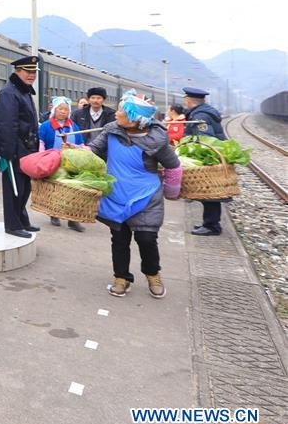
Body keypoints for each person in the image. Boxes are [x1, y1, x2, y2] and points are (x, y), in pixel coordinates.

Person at [86, 90, 182, 298]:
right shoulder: (111, 131)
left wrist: (171, 192)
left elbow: (173, 166)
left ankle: (152, 274)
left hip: (145, 197)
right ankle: (121, 277)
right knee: (119, 239)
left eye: (121, 111)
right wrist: (75, 152)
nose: (115, 113)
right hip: (116, 194)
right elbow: (93, 149)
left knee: (146, 239)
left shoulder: (156, 140)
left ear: (134, 118)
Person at [0, 56, 41, 239]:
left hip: (27, 149)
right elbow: (6, 125)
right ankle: (12, 225)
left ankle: (22, 220)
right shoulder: (9, 93)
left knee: (24, 188)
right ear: (17, 71)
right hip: (15, 150)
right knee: (14, 189)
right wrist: (8, 153)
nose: (31, 75)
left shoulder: (23, 91)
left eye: (34, 72)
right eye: (28, 71)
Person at [182, 87, 227, 236]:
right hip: (211, 157)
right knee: (209, 193)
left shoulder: (201, 116)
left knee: (209, 193)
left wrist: (199, 157)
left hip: (208, 159)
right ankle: (209, 223)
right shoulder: (204, 112)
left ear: (189, 100)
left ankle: (212, 226)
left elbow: (205, 139)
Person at [38, 96, 85, 232]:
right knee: (55, 190)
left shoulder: (74, 126)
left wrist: (79, 149)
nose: (63, 112)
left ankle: (73, 220)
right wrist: (42, 158)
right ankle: (54, 214)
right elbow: (41, 143)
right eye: (60, 109)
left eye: (66, 109)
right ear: (54, 110)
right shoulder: (46, 126)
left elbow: (81, 144)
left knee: (74, 191)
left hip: (72, 164)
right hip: (53, 163)